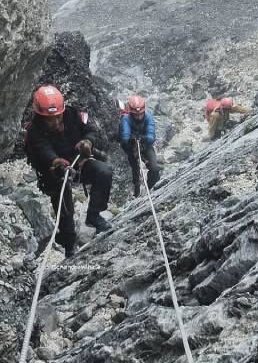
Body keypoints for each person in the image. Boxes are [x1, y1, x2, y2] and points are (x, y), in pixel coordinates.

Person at [25, 85, 113, 258]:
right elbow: (43, 150)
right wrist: (56, 162)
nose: (55, 123)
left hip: (78, 162)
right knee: (64, 207)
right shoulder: (33, 130)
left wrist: (87, 141)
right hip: (55, 172)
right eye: (49, 120)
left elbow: (90, 131)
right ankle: (69, 245)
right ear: (40, 117)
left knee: (105, 171)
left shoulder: (72, 114)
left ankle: (94, 215)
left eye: (57, 117)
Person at [120, 94, 161, 197]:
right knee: (134, 170)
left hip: (145, 145)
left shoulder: (148, 117)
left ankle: (149, 190)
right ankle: (136, 191)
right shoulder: (126, 119)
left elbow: (151, 136)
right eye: (136, 115)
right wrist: (131, 142)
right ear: (131, 112)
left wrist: (143, 140)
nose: (138, 116)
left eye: (140, 114)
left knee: (155, 169)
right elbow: (124, 137)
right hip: (130, 147)